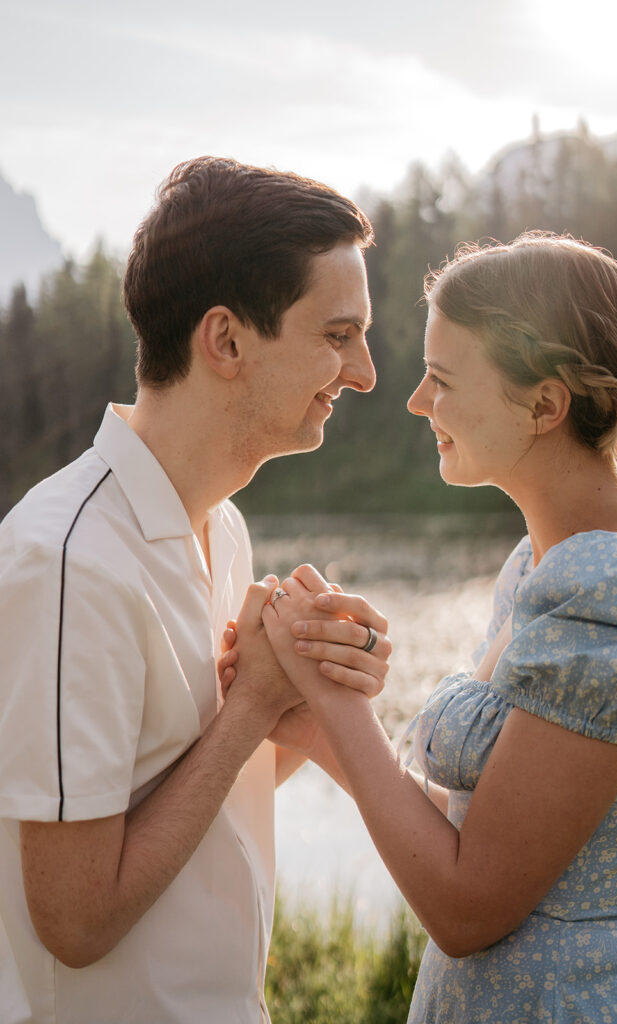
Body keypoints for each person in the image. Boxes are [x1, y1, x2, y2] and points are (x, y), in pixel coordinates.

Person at [230, 233, 617, 1022]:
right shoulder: (540, 566)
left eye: (440, 379)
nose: (415, 401)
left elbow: (468, 909)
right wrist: (312, 722)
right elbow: (482, 826)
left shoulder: (616, 588)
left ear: (544, 405)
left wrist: (337, 703)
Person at [0, 155, 391, 1024]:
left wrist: (306, 694)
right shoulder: (68, 560)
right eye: (337, 335)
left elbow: (200, 792)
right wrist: (252, 705)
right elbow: (75, 921)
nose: (363, 373)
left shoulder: (222, 525)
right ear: (226, 341)